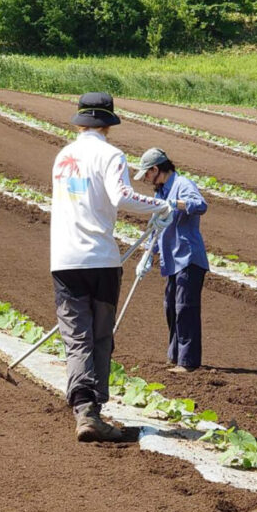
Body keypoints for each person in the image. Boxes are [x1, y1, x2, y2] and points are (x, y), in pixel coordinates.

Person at [51, 93, 174, 442]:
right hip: (101, 261)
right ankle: (93, 410)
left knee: (76, 338)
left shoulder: (63, 157)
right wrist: (159, 206)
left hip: (63, 260)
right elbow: (121, 196)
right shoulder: (110, 155)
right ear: (108, 124)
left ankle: (83, 409)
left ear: (80, 122)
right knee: (100, 336)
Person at [133, 147, 209, 373]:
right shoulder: (160, 193)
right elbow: (157, 229)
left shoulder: (182, 185)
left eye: (146, 174)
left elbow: (201, 205)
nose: (146, 179)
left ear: (156, 169)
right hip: (171, 259)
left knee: (185, 308)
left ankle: (188, 362)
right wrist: (148, 255)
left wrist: (176, 204)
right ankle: (174, 357)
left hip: (188, 257)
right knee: (171, 308)